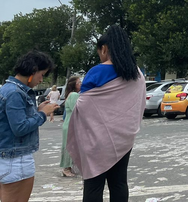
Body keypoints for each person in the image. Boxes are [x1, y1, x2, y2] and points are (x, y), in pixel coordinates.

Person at [67, 25, 146, 202]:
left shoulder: (97, 71)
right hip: (124, 138)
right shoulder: (137, 73)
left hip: (96, 140)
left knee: (94, 184)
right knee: (119, 183)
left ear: (104, 49)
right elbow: (139, 103)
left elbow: (83, 105)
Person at [0, 51, 57, 202]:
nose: (41, 79)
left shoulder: (12, 90)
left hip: (13, 157)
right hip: (15, 159)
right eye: (42, 74)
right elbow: (20, 128)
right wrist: (42, 114)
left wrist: (37, 111)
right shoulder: (15, 93)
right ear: (33, 71)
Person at [60, 76, 81, 177]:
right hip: (70, 124)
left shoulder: (70, 94)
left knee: (68, 145)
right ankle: (66, 168)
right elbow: (75, 110)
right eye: (79, 82)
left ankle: (68, 167)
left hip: (68, 123)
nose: (80, 84)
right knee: (70, 146)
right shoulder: (74, 95)